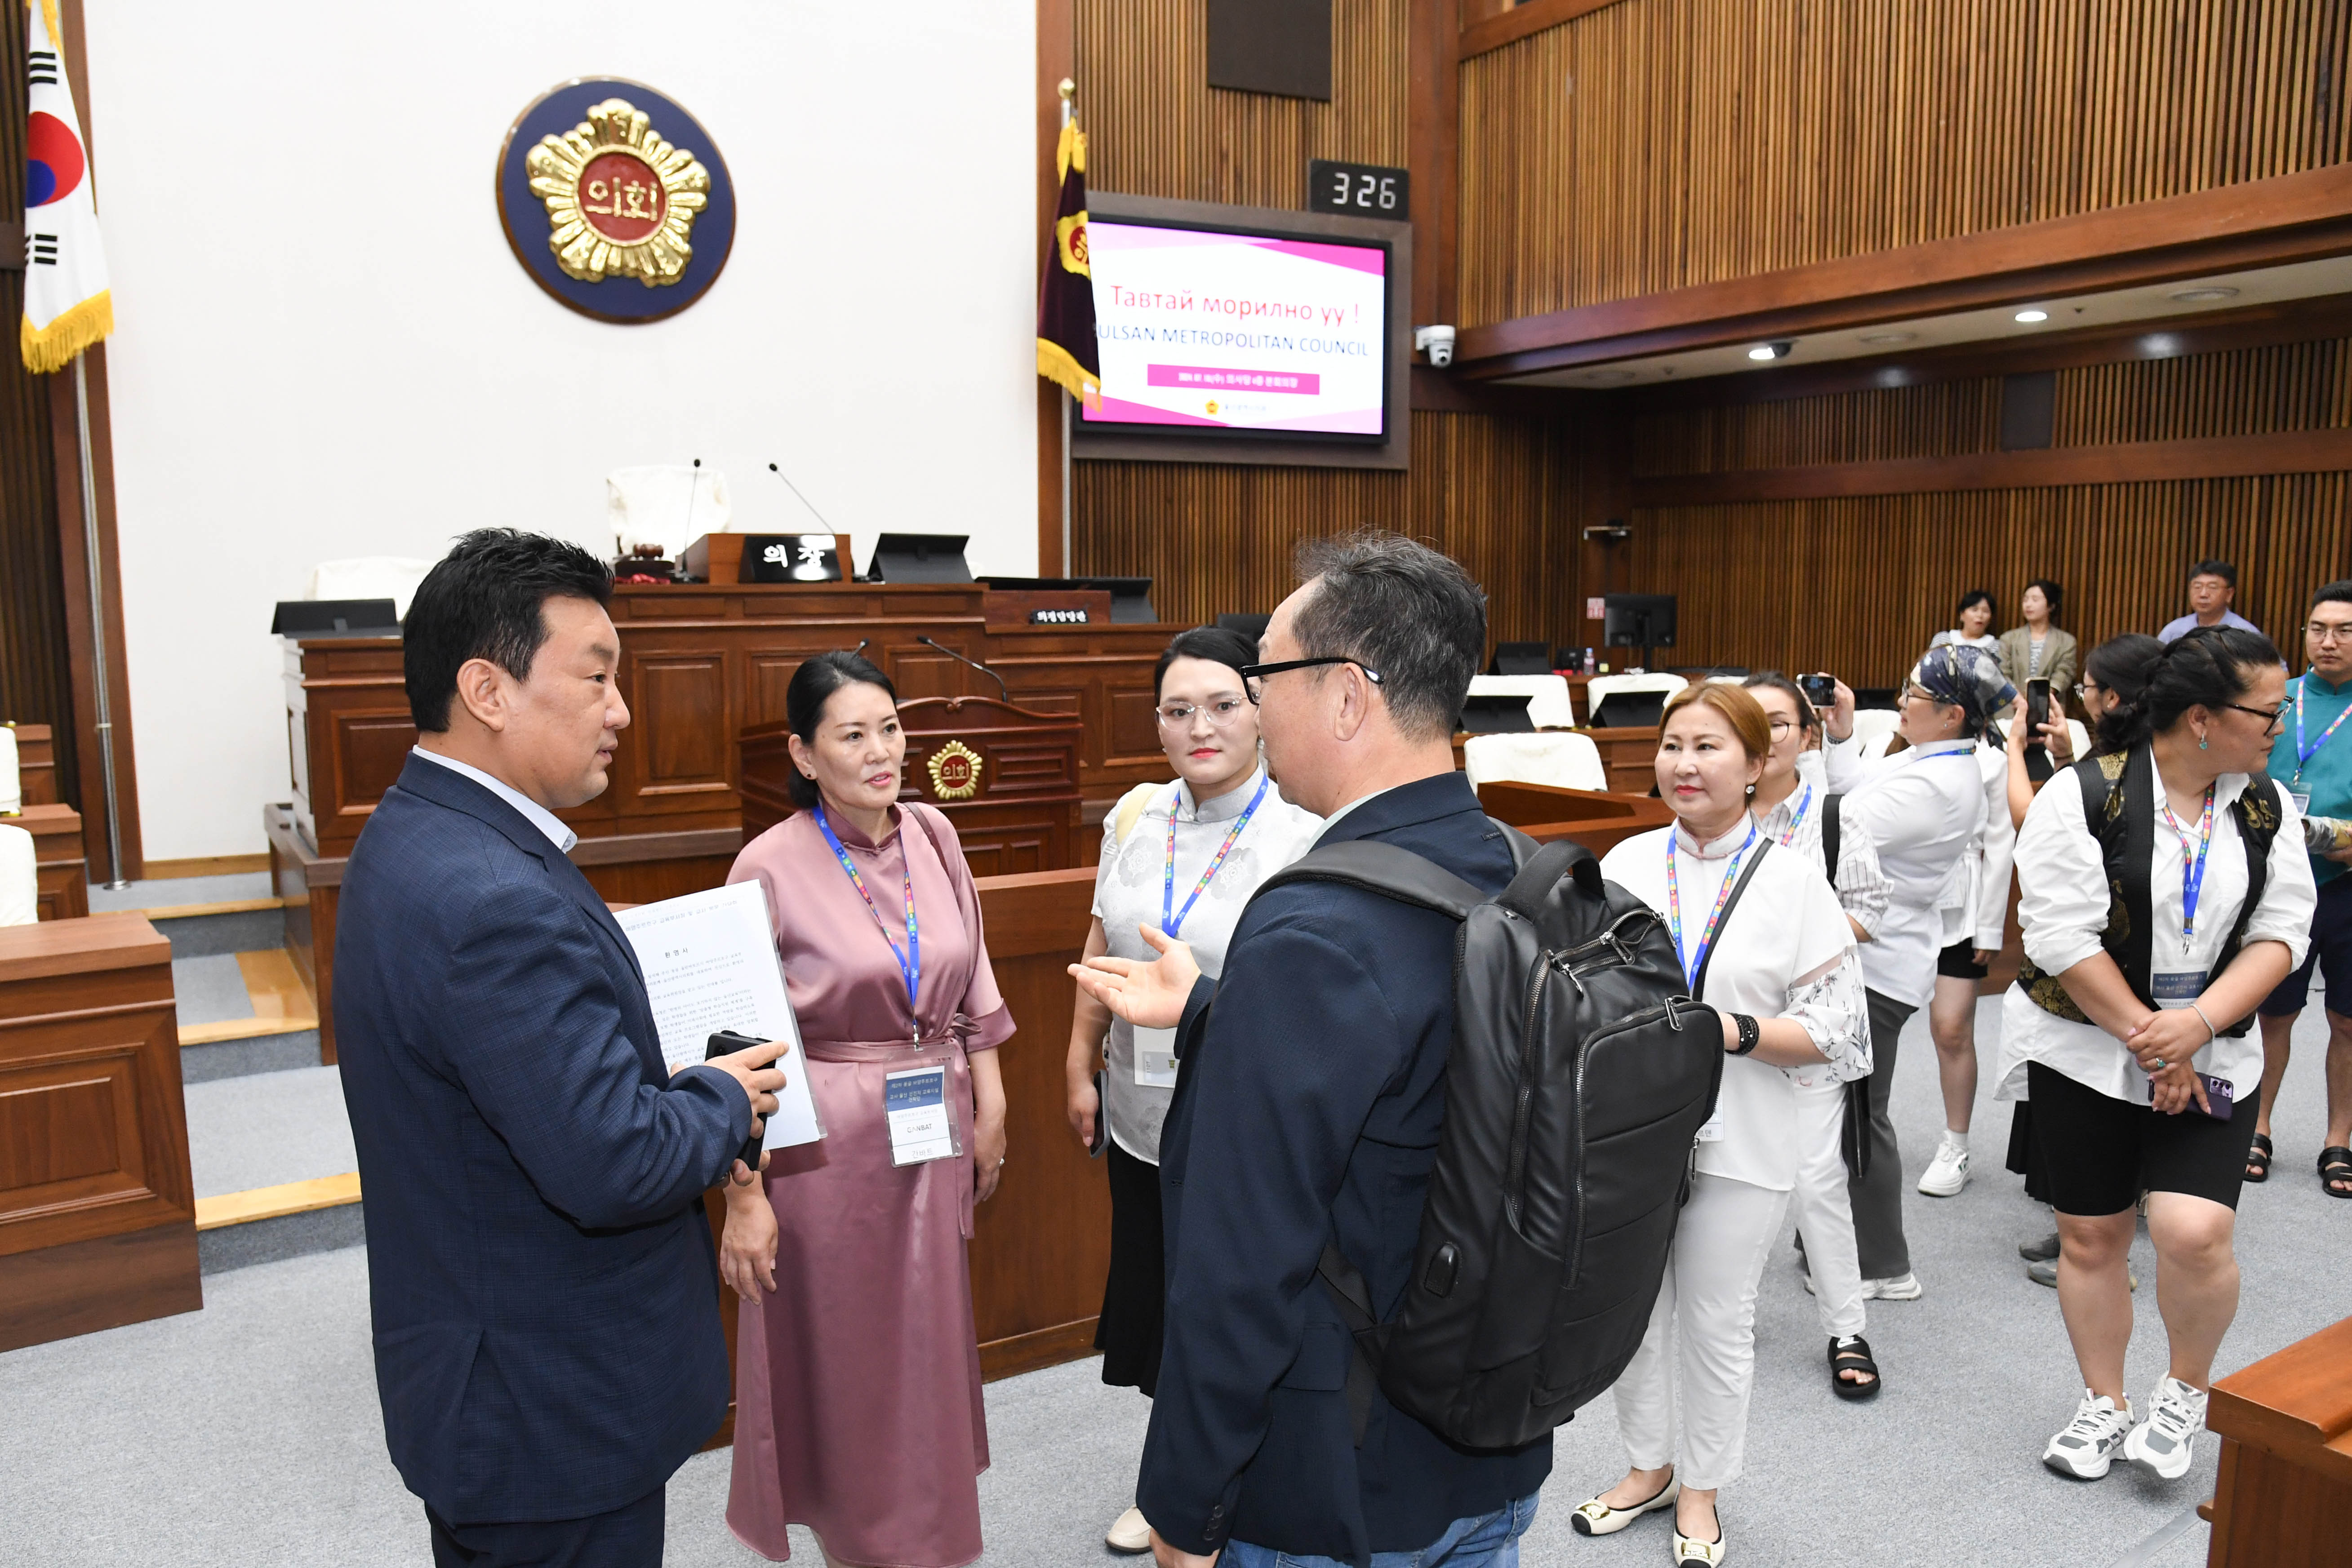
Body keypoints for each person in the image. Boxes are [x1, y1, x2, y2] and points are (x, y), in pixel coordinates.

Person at [1068, 533, 1551, 1568]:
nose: (1252, 703)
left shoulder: (1315, 932)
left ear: (1344, 695)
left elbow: (1238, 1266)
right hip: (1492, 1437)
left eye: (1263, 677)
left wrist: (1184, 1509)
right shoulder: (1516, 869)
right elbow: (1416, 1086)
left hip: (1336, 1475)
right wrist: (1212, 1014)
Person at [334, 529, 790, 1568]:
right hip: (549, 1408)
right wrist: (722, 1097)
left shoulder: (413, 834)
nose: (620, 709)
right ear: (488, 690)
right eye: (597, 677)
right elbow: (613, 1161)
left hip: (484, 1371)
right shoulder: (493, 897)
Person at [1992, 628, 2312, 1482]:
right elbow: (2059, 934)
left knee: (2192, 1228)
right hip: (2085, 1047)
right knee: (2090, 1235)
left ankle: (2183, 1389)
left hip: (2212, 1046)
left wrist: (2195, 1027)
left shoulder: (2264, 804)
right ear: (2202, 718)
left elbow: (2281, 933)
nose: (2277, 725)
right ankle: (2104, 1399)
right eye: (2267, 711)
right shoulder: (2082, 794)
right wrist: (2151, 1038)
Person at [719, 651, 1014, 1568]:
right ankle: (863, 1542)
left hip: (935, 1119)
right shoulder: (766, 863)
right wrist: (743, 1191)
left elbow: (973, 978)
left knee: (925, 1342)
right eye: (853, 734)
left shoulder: (934, 831)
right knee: (846, 1356)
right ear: (805, 755)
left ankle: (926, 1537)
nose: (882, 750)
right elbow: (733, 1051)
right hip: (827, 1149)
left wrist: (993, 1100)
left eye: (890, 726)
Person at [1574, 683, 1868, 1564]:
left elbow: (1839, 1032)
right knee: (1630, 1311)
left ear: (1755, 765)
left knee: (1713, 1317)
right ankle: (1646, 1464)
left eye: (1707, 746)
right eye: (1671, 746)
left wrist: (1726, 1030)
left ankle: (1702, 1487)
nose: (1684, 764)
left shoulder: (1789, 879)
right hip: (1628, 1138)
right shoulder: (1622, 865)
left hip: (1743, 1135)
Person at [1064, 626, 1322, 1555]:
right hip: (1139, 1114)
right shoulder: (1135, 813)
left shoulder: (1302, 828)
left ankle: (1242, 1483)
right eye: (1177, 709)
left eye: (1221, 704)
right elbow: (1103, 944)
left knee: (1229, 1311)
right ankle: (1171, 1481)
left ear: (1260, 709)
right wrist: (1076, 1060)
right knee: (1162, 1304)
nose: (1198, 726)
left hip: (1240, 1120)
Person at [1820, 645, 2014, 1298]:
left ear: (1953, 714)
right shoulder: (1929, 758)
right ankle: (1821, 1239)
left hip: (1878, 964)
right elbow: (1847, 796)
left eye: (1913, 695)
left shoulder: (1940, 784)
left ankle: (1884, 1266)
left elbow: (1833, 825)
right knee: (1843, 1106)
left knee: (1858, 1113)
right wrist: (1844, 735)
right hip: (1871, 955)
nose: (1900, 702)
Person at [1742, 674, 1890, 1399]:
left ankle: (1844, 1325)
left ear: (1807, 736)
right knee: (1724, 1172)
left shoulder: (1834, 815)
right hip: (1733, 1022)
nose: (1763, 736)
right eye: (1749, 721)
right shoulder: (1715, 814)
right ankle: (1730, 1307)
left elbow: (1868, 908)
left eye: (1778, 722)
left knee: (1815, 1178)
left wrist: (1796, 940)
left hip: (1811, 1019)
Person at [2002, 635, 2162, 1281]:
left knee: (2100, 1103)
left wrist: (2015, 752)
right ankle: (2085, 1229)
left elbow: (2030, 814)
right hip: (2129, 971)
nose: (2080, 698)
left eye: (2088, 689)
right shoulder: (2140, 758)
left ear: (2113, 698)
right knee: (2098, 1107)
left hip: (2092, 980)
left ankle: (2101, 1251)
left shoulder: (2108, 775)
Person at [2250, 581, 2352, 1196]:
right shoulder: (2275, 699)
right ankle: (2256, 1127)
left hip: (2345, 886)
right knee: (2271, 1012)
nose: (2328, 641)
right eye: (2318, 628)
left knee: (2346, 1020)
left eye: (2343, 630)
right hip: (2273, 882)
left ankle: (2338, 1136)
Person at [1914, 713, 2016, 1198]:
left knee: (1951, 1027)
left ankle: (1956, 1144)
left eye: (1920, 696)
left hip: (1960, 904)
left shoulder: (1991, 761)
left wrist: (1990, 925)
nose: (1905, 701)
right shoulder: (1892, 755)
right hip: (1894, 905)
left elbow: (2000, 843)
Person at [1997, 579, 2080, 696]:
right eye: (2025, 600)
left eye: (2035, 600)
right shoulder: (2009, 638)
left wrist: (2042, 697)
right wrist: (2016, 697)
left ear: (2051, 606)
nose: (2028, 604)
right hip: (2012, 705)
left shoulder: (2066, 641)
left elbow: (2064, 673)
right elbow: (2003, 672)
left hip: (2050, 706)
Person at [2158, 559, 2262, 643]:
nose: (2203, 594)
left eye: (2212, 587)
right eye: (2198, 587)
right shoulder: (2174, 631)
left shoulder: (2246, 634)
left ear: (2229, 594)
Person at [1929, 589, 1999, 652]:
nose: (1980, 615)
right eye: (1974, 610)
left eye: (1986, 611)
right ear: (1962, 615)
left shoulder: (1997, 647)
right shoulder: (1943, 639)